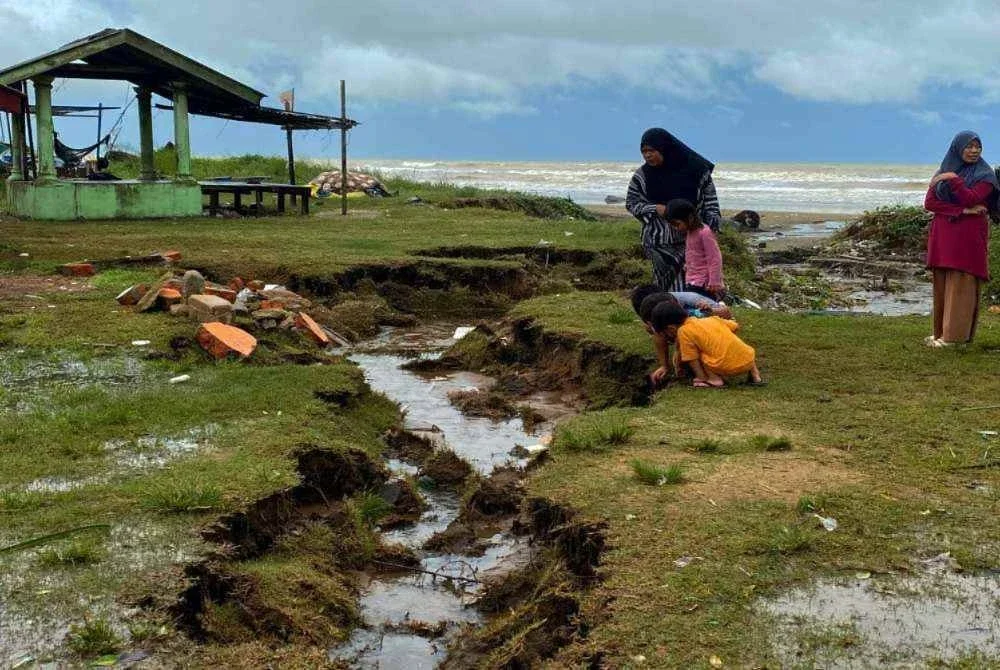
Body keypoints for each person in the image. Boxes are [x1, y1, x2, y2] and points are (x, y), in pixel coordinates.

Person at [924, 131, 999, 347]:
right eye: (969, 146)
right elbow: (930, 203)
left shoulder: (985, 176)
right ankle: (940, 332)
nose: (974, 150)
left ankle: (954, 338)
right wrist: (962, 211)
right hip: (944, 234)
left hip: (968, 236)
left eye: (978, 146)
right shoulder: (945, 170)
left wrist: (953, 180)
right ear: (958, 148)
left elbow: (972, 197)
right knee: (943, 280)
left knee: (962, 281)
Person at [626, 128, 722, 291]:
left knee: (696, 283)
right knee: (666, 285)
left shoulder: (697, 171)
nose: (647, 155)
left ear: (665, 148)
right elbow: (631, 203)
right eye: (643, 151)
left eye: (652, 150)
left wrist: (710, 227)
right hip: (661, 241)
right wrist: (655, 208)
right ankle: (669, 313)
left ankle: (694, 314)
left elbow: (711, 202)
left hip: (694, 239)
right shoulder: (642, 176)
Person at [629, 284, 733, 387]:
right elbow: (657, 332)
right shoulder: (655, 311)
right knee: (656, 328)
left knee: (694, 346)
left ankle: (708, 376)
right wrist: (664, 366)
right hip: (682, 327)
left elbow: (727, 314)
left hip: (709, 329)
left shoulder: (692, 301)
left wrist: (711, 310)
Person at [650, 301, 764, 388]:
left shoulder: (683, 331)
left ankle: (714, 380)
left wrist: (700, 376)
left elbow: (691, 358)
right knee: (737, 343)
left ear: (671, 328)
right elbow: (735, 326)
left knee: (700, 352)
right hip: (748, 360)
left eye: (666, 333)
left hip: (726, 366)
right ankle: (756, 376)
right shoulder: (711, 319)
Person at [666, 198, 726, 300]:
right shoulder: (690, 232)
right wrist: (688, 264)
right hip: (692, 279)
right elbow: (694, 252)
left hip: (704, 282)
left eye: (677, 224)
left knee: (704, 308)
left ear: (690, 218)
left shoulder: (704, 232)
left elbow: (714, 258)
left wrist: (714, 281)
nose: (676, 228)